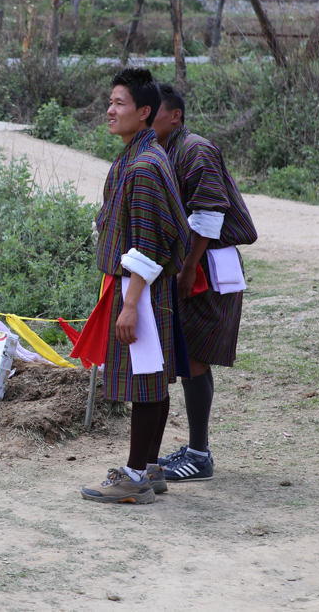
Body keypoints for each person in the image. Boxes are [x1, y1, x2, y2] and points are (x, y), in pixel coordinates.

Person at [80, 68, 189, 504]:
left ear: (144, 113)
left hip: (140, 288)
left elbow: (148, 240)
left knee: (145, 381)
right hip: (140, 287)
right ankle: (148, 469)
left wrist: (130, 305)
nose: (110, 110)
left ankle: (133, 478)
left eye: (120, 103)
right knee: (152, 378)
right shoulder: (140, 152)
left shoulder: (143, 165)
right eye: (110, 101)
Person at [151, 83, 257, 482]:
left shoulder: (195, 148)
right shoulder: (160, 150)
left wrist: (189, 266)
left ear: (174, 115)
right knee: (187, 354)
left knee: (194, 356)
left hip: (206, 265)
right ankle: (196, 447)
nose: (146, 115)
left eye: (153, 109)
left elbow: (210, 213)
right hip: (187, 264)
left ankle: (199, 454)